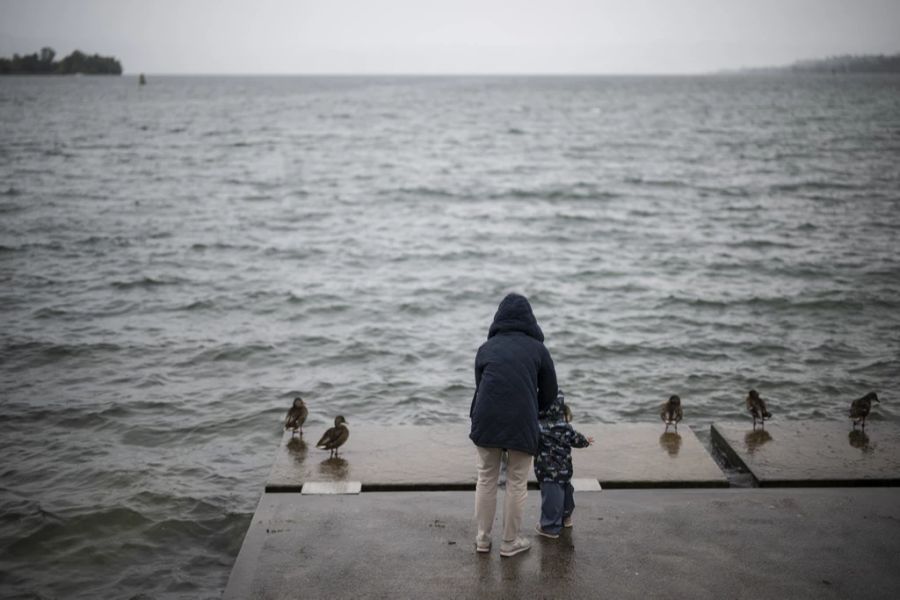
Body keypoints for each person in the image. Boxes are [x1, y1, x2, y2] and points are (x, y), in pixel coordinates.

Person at [469, 293, 558, 557]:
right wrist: (533, 408)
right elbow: (551, 392)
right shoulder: (538, 350)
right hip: (521, 421)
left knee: (486, 477)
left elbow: (481, 386)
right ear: (530, 320)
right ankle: (510, 542)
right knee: (517, 481)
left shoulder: (486, 348)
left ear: (499, 319)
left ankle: (482, 540)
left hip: (486, 419)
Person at [534, 389, 593, 538]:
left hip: (547, 471)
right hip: (565, 469)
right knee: (566, 492)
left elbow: (528, 441)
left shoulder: (538, 427)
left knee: (552, 498)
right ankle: (566, 518)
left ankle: (550, 527)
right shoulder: (565, 427)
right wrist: (586, 441)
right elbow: (576, 439)